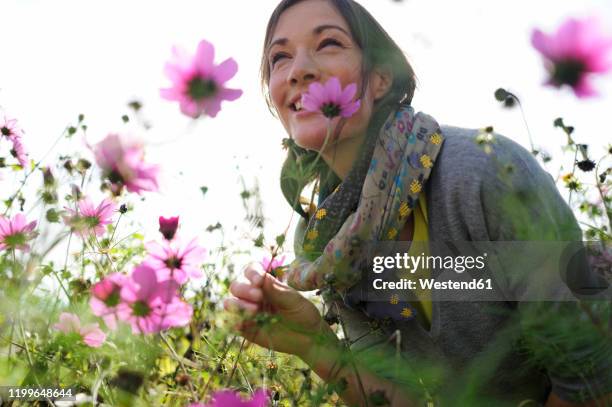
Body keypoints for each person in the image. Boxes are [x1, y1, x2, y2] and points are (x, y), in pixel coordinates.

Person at [224, 0, 611, 405]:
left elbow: (592, 378)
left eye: (328, 44)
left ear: (380, 79)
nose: (298, 69)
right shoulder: (330, 248)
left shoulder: (482, 173)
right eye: (279, 57)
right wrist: (314, 342)